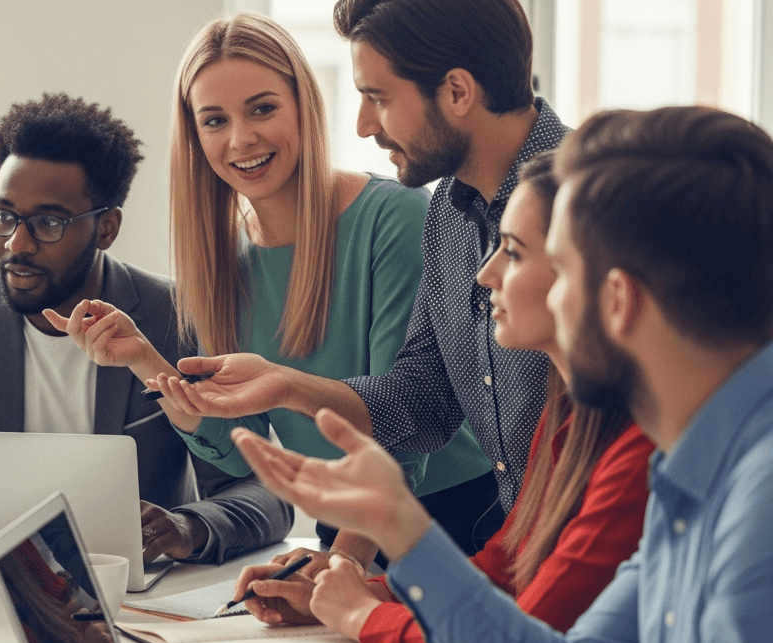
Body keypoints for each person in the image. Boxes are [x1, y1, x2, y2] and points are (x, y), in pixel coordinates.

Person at [232, 107, 773, 643]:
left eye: (544, 262)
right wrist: (403, 529)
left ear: (617, 301)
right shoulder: (691, 463)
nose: (485, 277)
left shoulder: (757, 499)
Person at [47, 11, 496, 574]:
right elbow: (239, 448)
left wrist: (336, 573)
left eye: (262, 108)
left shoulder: (396, 217)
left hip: (449, 524)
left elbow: (402, 431)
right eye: (214, 120)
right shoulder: (223, 258)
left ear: (303, 105)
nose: (241, 139)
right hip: (344, 526)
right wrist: (143, 359)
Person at [151, 0, 568, 555]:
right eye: (214, 120)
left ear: (458, 92)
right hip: (520, 551)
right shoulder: (449, 211)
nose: (362, 125)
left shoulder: (593, 202)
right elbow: (422, 401)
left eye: (377, 98)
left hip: (578, 555)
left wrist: (350, 568)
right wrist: (286, 385)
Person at [0, 93, 290, 564]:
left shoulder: (178, 316)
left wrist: (189, 526)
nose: (18, 242)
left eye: (48, 221)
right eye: (5, 216)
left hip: (131, 599)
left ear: (106, 229)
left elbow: (267, 489)